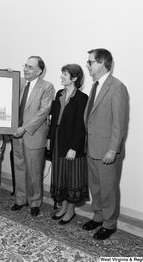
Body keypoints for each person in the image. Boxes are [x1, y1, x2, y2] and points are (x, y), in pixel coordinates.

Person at [82, 48, 129, 240]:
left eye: (91, 62)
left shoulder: (117, 87)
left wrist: (112, 149)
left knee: (108, 189)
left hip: (107, 150)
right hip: (92, 148)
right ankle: (99, 216)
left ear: (102, 63)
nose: (88, 66)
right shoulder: (95, 86)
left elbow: (119, 123)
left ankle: (109, 224)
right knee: (96, 187)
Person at [11, 56, 55, 217]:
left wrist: (25, 128)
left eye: (30, 67)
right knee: (19, 168)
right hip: (16, 134)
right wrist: (7, 75)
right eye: (25, 66)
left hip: (33, 134)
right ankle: (20, 199)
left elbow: (43, 112)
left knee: (35, 171)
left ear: (39, 71)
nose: (26, 69)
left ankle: (35, 202)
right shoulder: (19, 82)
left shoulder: (47, 87)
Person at [47, 64, 89, 225]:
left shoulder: (82, 98)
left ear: (74, 78)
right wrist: (49, 138)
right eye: (62, 73)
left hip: (72, 144)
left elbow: (80, 126)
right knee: (60, 176)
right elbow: (53, 120)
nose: (61, 77)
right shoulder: (59, 94)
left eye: (64, 74)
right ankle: (63, 207)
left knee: (72, 179)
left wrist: (74, 148)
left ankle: (70, 210)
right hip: (58, 140)